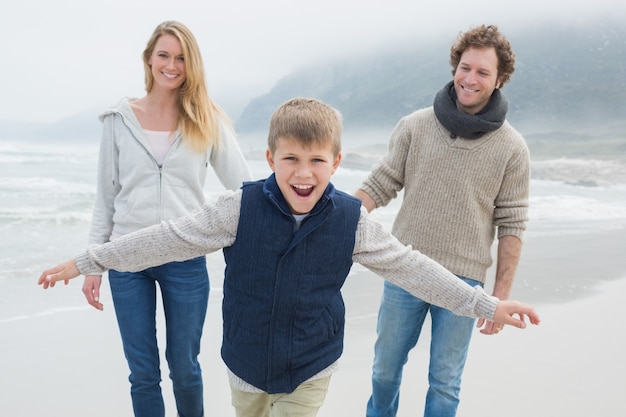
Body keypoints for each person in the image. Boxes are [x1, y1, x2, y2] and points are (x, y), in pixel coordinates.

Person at [38, 97, 539, 417]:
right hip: (245, 363)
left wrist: (488, 303)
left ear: (336, 163)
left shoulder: (350, 221)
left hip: (310, 364)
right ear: (270, 159)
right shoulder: (239, 208)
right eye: (291, 159)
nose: (304, 173)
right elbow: (167, 238)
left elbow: (413, 268)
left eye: (317, 160)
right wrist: (89, 260)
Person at [354, 25, 530, 417]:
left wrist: (498, 295)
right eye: (465, 67)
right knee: (384, 371)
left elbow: (512, 223)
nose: (470, 79)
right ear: (455, 67)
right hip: (405, 270)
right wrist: (330, 221)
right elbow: (381, 183)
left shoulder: (513, 148)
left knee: (445, 384)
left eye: (483, 72)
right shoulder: (415, 126)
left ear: (500, 79)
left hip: (465, 282)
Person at [80, 21, 252, 417]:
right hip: (127, 259)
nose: (171, 65)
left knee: (185, 369)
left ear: (191, 66)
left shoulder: (207, 119)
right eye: (164, 55)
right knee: (142, 373)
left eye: (181, 58)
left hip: (186, 259)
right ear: (149, 59)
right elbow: (105, 199)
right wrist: (93, 263)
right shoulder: (117, 120)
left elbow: (244, 187)